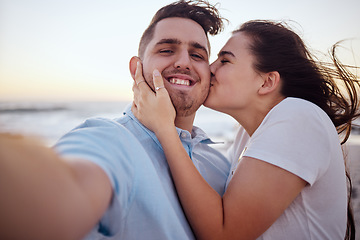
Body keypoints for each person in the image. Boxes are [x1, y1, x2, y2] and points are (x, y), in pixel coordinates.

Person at [0, 1, 231, 239]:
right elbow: (61, 194)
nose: (184, 62)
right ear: (136, 69)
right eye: (166, 50)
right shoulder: (109, 139)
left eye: (197, 55)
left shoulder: (221, 164)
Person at [132, 20, 360, 239]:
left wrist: (164, 128)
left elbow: (224, 233)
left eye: (225, 61)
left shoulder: (298, 115)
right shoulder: (246, 135)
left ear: (266, 82)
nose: (209, 68)